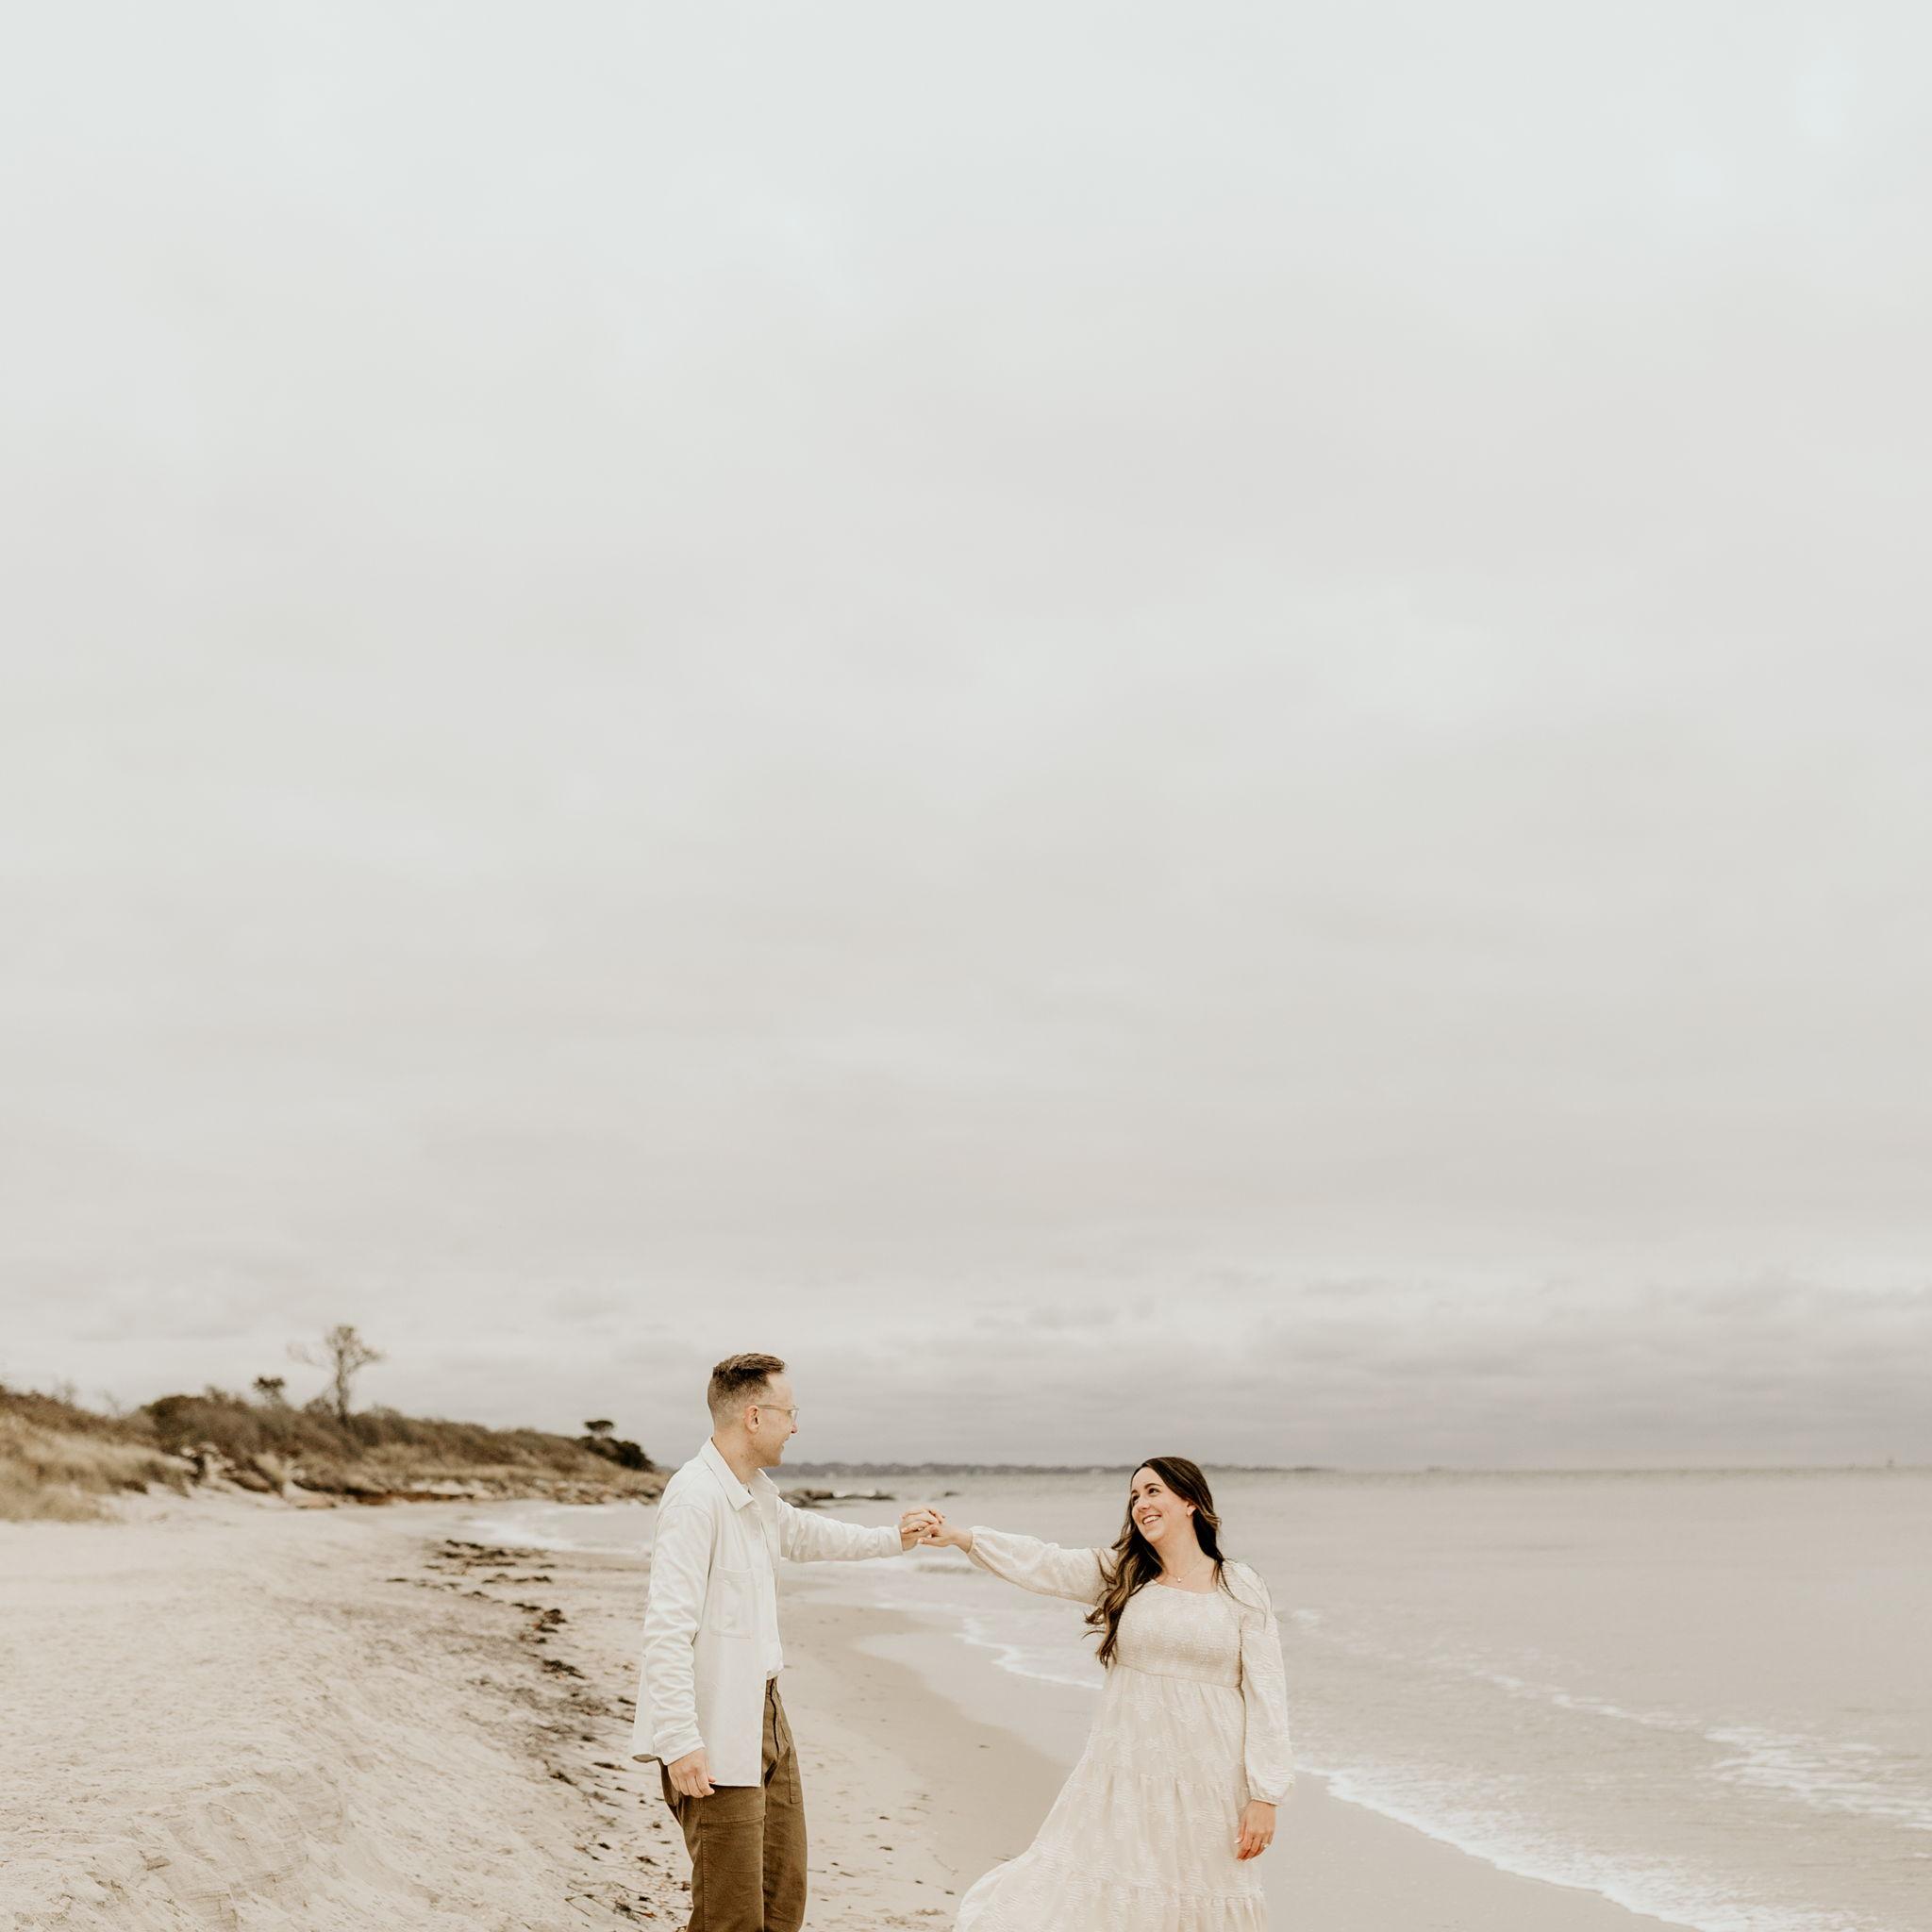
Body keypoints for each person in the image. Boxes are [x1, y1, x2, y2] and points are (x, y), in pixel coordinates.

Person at [631, 1352, 938, 1932]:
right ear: (754, 1416)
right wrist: (679, 1741)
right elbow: (666, 1628)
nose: (795, 1427)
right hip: (713, 1727)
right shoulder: (695, 1497)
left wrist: (895, 1538)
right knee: (730, 1918)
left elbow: (809, 1534)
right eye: (789, 1413)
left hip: (767, 1714)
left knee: (780, 1905)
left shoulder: (755, 1492)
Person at [920, 1456, 1292, 1931]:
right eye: (1134, 1496)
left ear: (1191, 1502)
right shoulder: (1125, 1573)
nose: (1141, 1504)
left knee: (1196, 1895)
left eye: (1153, 1491)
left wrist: (1266, 1795)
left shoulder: (1240, 1585)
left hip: (1209, 1780)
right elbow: (1044, 1562)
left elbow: (1267, 1692)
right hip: (1124, 1772)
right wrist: (964, 1538)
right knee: (1105, 1892)